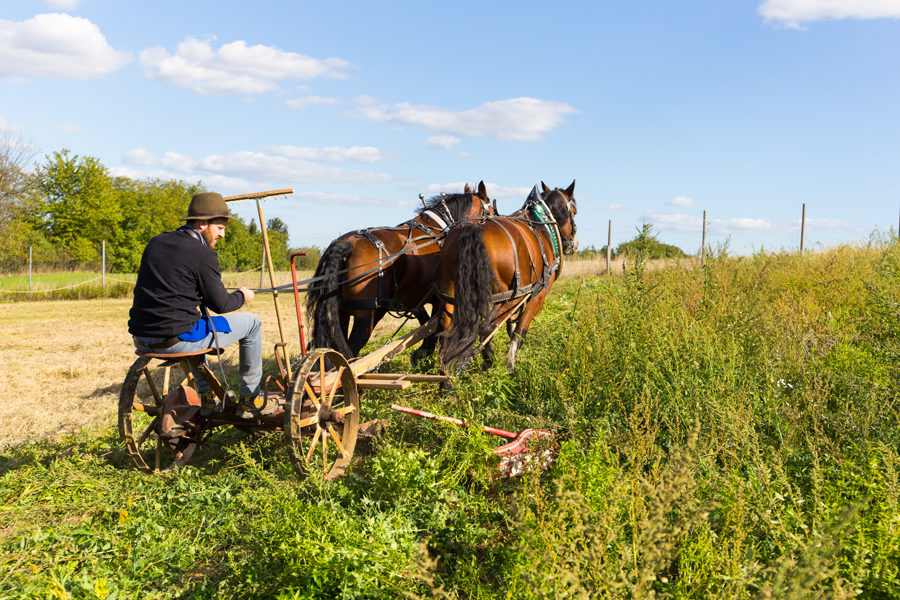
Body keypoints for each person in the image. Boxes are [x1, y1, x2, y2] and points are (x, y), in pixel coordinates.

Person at [128, 191, 271, 418]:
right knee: (252, 322)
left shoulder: (155, 243)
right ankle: (250, 400)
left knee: (197, 323)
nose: (222, 235)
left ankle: (206, 397)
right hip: (174, 341)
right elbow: (221, 305)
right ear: (203, 224)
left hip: (142, 339)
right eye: (220, 228)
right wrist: (242, 295)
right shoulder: (203, 254)